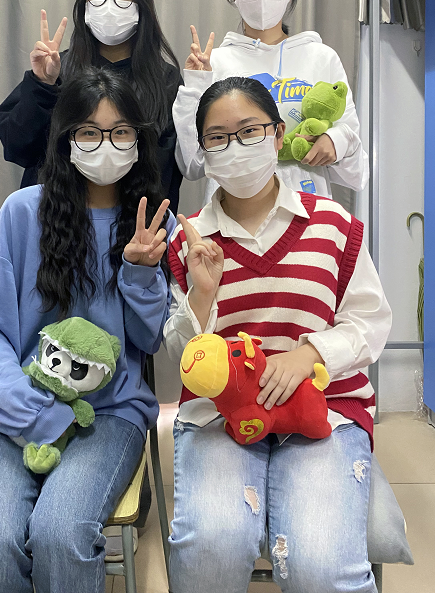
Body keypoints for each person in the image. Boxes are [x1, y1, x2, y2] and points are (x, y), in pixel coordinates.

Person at [164, 77, 391, 593]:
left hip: (325, 408)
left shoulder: (334, 225)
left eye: (249, 131)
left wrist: (309, 354)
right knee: (212, 546)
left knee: (320, 566)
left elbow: (370, 320)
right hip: (220, 417)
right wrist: (202, 294)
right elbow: (182, 357)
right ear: (204, 152)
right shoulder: (189, 241)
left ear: (278, 134)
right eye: (217, 138)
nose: (235, 147)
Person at [0, 69, 174, 593]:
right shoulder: (21, 213)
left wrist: (140, 273)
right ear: (66, 139)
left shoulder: (150, 224)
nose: (106, 145)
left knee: (60, 533)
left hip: (110, 413)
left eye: (121, 132)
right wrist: (35, 413)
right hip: (14, 407)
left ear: (139, 141)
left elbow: (149, 343)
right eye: (89, 132)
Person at [173, 0, 368, 201]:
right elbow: (192, 164)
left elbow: (357, 171)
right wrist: (196, 84)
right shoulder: (215, 62)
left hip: (306, 207)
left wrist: (337, 140)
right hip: (233, 208)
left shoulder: (320, 57)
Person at [0, 0, 184, 210]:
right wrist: (42, 85)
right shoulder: (57, 70)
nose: (109, 4)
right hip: (58, 218)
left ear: (142, 6)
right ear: (84, 4)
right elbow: (18, 148)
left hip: (135, 222)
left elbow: (168, 168)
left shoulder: (165, 80)